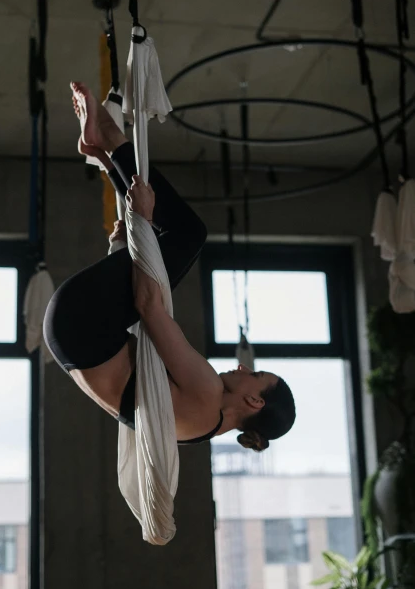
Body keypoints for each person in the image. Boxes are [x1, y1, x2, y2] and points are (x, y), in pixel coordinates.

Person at [43, 82, 296, 451]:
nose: (244, 368)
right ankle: (102, 151)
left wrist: (142, 224)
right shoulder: (198, 429)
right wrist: (128, 242)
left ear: (255, 402)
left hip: (83, 324)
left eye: (254, 375)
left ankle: (109, 139)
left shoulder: (208, 393)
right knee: (173, 239)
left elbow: (148, 308)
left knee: (188, 234)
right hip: (72, 338)